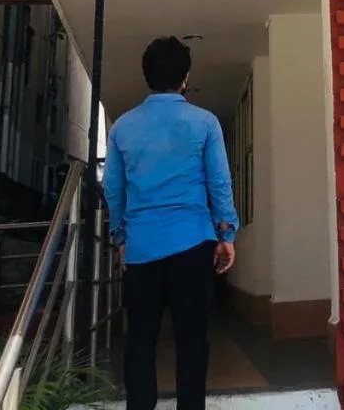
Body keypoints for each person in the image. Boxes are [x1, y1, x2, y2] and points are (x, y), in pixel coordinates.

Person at [103, 36, 239, 410]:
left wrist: (121, 239)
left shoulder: (122, 129)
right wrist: (226, 234)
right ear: (185, 77)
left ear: (147, 75)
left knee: (140, 342)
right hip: (194, 245)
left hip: (143, 249)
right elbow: (219, 183)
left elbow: (113, 190)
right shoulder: (205, 123)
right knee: (193, 340)